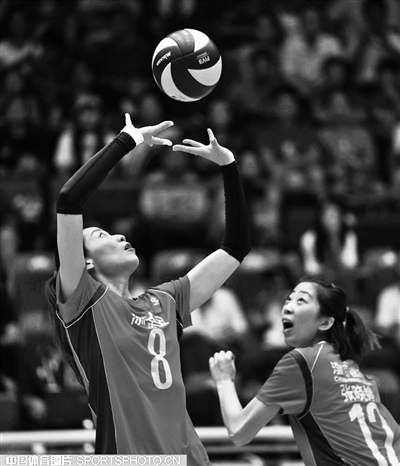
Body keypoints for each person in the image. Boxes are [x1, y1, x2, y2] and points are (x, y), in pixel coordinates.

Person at [44, 113, 251, 459]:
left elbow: (235, 247)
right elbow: (69, 199)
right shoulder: (83, 302)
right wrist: (126, 140)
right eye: (102, 235)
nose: (119, 236)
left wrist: (229, 167)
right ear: (86, 263)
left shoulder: (166, 301)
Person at [209, 276, 400, 466]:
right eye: (289, 299)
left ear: (325, 323)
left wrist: (224, 380)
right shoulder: (349, 365)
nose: (287, 307)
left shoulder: (301, 361)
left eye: (301, 300)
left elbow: (239, 431)